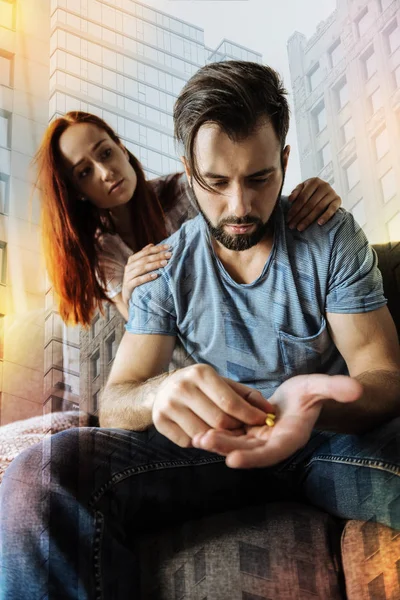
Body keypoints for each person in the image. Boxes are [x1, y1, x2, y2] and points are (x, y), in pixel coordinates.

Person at [1, 61, 399, 600]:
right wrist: (162, 390)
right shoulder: (164, 265)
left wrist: (306, 404)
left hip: (326, 438)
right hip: (212, 447)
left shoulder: (327, 236)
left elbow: (382, 376)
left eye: (260, 178)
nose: (240, 207)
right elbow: (116, 399)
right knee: (40, 475)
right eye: (216, 182)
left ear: (284, 162)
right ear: (189, 172)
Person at [36, 111, 342, 324]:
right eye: (85, 172)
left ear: (122, 147)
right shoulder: (102, 251)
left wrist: (312, 196)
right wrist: (130, 293)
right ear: (76, 191)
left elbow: (258, 214)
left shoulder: (186, 189)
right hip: (188, 352)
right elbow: (146, 331)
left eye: (105, 153)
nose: (106, 173)